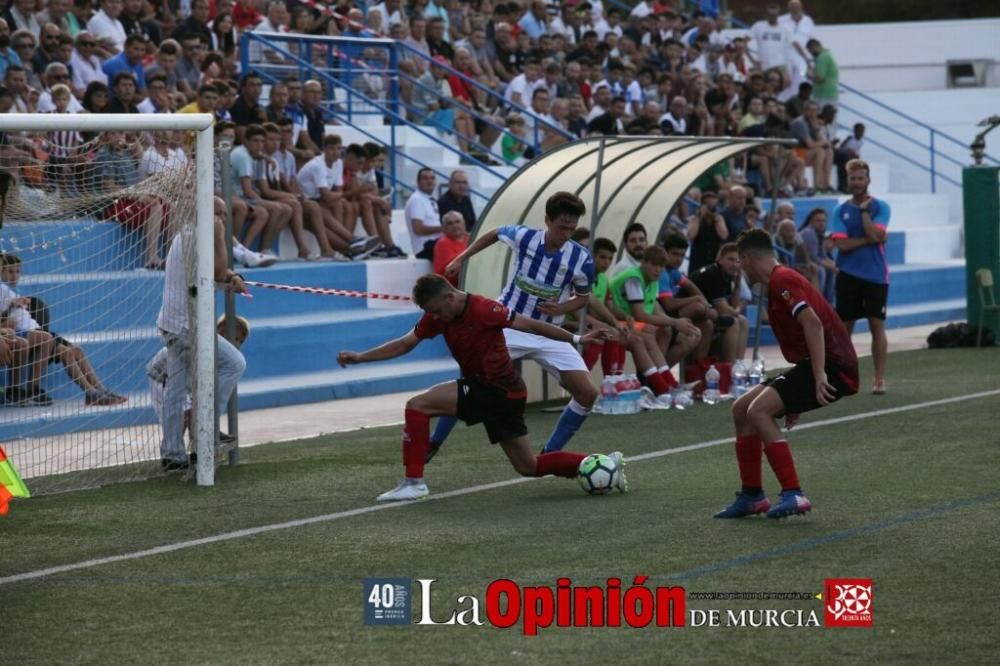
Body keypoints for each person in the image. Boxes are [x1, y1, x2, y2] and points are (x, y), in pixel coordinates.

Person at [336, 273, 626, 502]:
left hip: (496, 391)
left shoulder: (485, 309)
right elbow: (405, 343)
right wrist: (362, 357)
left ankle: (414, 483)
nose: (432, 317)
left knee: (418, 405)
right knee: (528, 466)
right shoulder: (438, 315)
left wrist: (576, 340)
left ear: (449, 298)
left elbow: (533, 326)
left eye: (435, 310)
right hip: (500, 393)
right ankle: (595, 464)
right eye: (429, 312)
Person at [438, 192, 614, 459]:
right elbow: (496, 232)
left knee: (587, 393)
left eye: (571, 228)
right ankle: (433, 442)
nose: (566, 233)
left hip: (549, 333)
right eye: (561, 227)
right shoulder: (526, 238)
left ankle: (549, 454)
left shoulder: (582, 260)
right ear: (547, 220)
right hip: (509, 325)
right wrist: (462, 257)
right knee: (471, 379)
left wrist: (562, 308)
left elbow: (584, 297)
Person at [716, 229, 858, 519]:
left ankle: (794, 493)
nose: (740, 268)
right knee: (741, 408)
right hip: (815, 364)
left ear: (747, 258)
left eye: (740, 262)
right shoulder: (776, 284)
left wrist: (818, 376)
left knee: (758, 411)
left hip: (833, 368)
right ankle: (753, 495)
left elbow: (814, 324)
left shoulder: (783, 280)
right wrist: (795, 394)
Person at [156, 217, 247, 470]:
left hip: (173, 324)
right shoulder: (198, 235)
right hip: (185, 328)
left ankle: (173, 452)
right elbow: (218, 272)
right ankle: (205, 426)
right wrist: (219, 233)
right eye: (218, 214)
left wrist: (233, 278)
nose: (223, 219)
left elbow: (212, 277)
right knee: (234, 363)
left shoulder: (187, 235)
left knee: (175, 391)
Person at [831, 159, 890, 394]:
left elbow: (877, 233)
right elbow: (842, 246)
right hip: (848, 274)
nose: (856, 182)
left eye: (860, 178)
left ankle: (879, 378)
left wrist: (865, 212)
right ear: (848, 180)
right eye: (853, 178)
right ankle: (844, 377)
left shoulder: (881, 207)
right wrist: (869, 239)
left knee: (877, 325)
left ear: (868, 180)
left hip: (875, 275)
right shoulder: (840, 210)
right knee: (845, 328)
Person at [688, 243, 749, 363]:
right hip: (692, 313)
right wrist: (735, 311)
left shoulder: (727, 275)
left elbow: (731, 305)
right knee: (733, 322)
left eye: (737, 261)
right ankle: (730, 366)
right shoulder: (713, 273)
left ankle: (739, 364)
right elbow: (724, 309)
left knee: (744, 321)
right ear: (719, 259)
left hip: (708, 312)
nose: (735, 264)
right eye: (730, 259)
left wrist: (737, 286)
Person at [432, 211, 468, 286]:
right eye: (450, 223)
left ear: (464, 223)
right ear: (444, 228)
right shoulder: (442, 244)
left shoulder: (471, 239)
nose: (455, 225)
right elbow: (452, 269)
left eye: (457, 222)